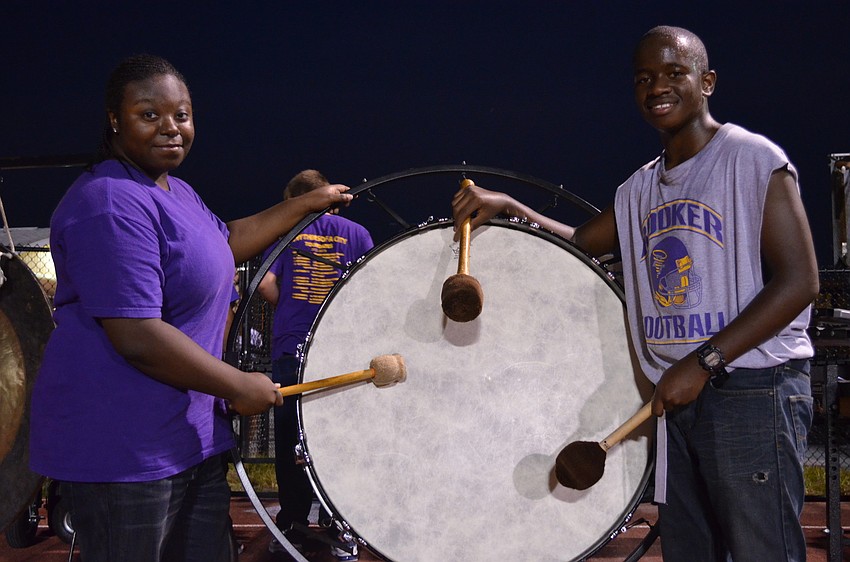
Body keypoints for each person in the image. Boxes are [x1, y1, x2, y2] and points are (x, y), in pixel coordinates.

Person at [452, 26, 819, 562]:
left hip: (749, 389)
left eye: (675, 73)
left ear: (707, 81)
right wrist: (510, 206)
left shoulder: (750, 157)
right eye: (645, 78)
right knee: (693, 552)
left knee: (762, 552)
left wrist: (704, 361)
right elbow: (581, 243)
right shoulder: (639, 189)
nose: (657, 87)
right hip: (674, 399)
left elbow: (800, 282)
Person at [28, 54, 353, 562]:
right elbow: (138, 335)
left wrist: (306, 203)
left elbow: (227, 240)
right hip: (126, 450)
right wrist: (236, 384)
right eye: (149, 114)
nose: (171, 128)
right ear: (114, 119)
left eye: (181, 115)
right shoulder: (110, 201)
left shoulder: (174, 191)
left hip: (189, 441)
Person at [257, 169, 373, 560]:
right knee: (339, 437)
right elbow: (367, 289)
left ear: (296, 200)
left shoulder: (285, 231)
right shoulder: (356, 233)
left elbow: (263, 284)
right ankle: (340, 523)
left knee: (291, 435)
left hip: (293, 346)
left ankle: (292, 521)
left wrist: (292, 305)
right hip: (339, 349)